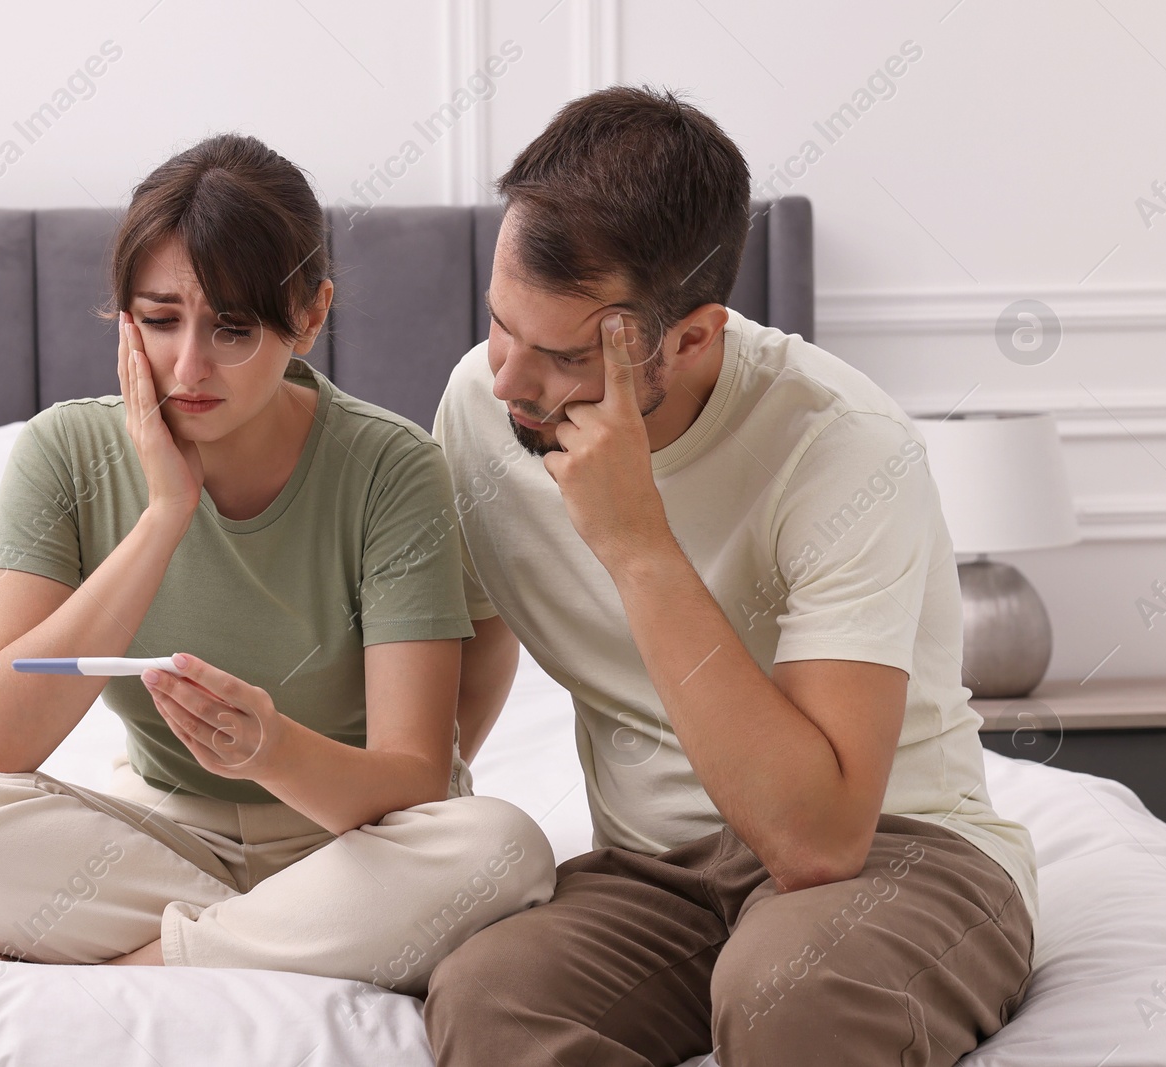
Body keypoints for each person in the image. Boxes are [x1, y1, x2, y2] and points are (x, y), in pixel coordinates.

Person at [0, 132, 554, 997]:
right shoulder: (65, 451)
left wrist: (270, 747)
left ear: (311, 315)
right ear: (124, 317)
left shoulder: (389, 467)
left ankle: (110, 968)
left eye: (233, 328)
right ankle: (289, 937)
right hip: (160, 838)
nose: (187, 367)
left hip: (351, 841)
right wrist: (163, 517)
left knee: (502, 847)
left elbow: (414, 780)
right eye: (160, 318)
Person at [424, 86, 1037, 1066]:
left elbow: (818, 840)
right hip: (654, 874)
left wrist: (636, 542)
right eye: (498, 323)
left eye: (562, 352)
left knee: (788, 992)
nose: (507, 380)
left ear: (696, 334)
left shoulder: (843, 446)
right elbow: (451, 683)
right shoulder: (479, 403)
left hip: (894, 849)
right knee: (482, 995)